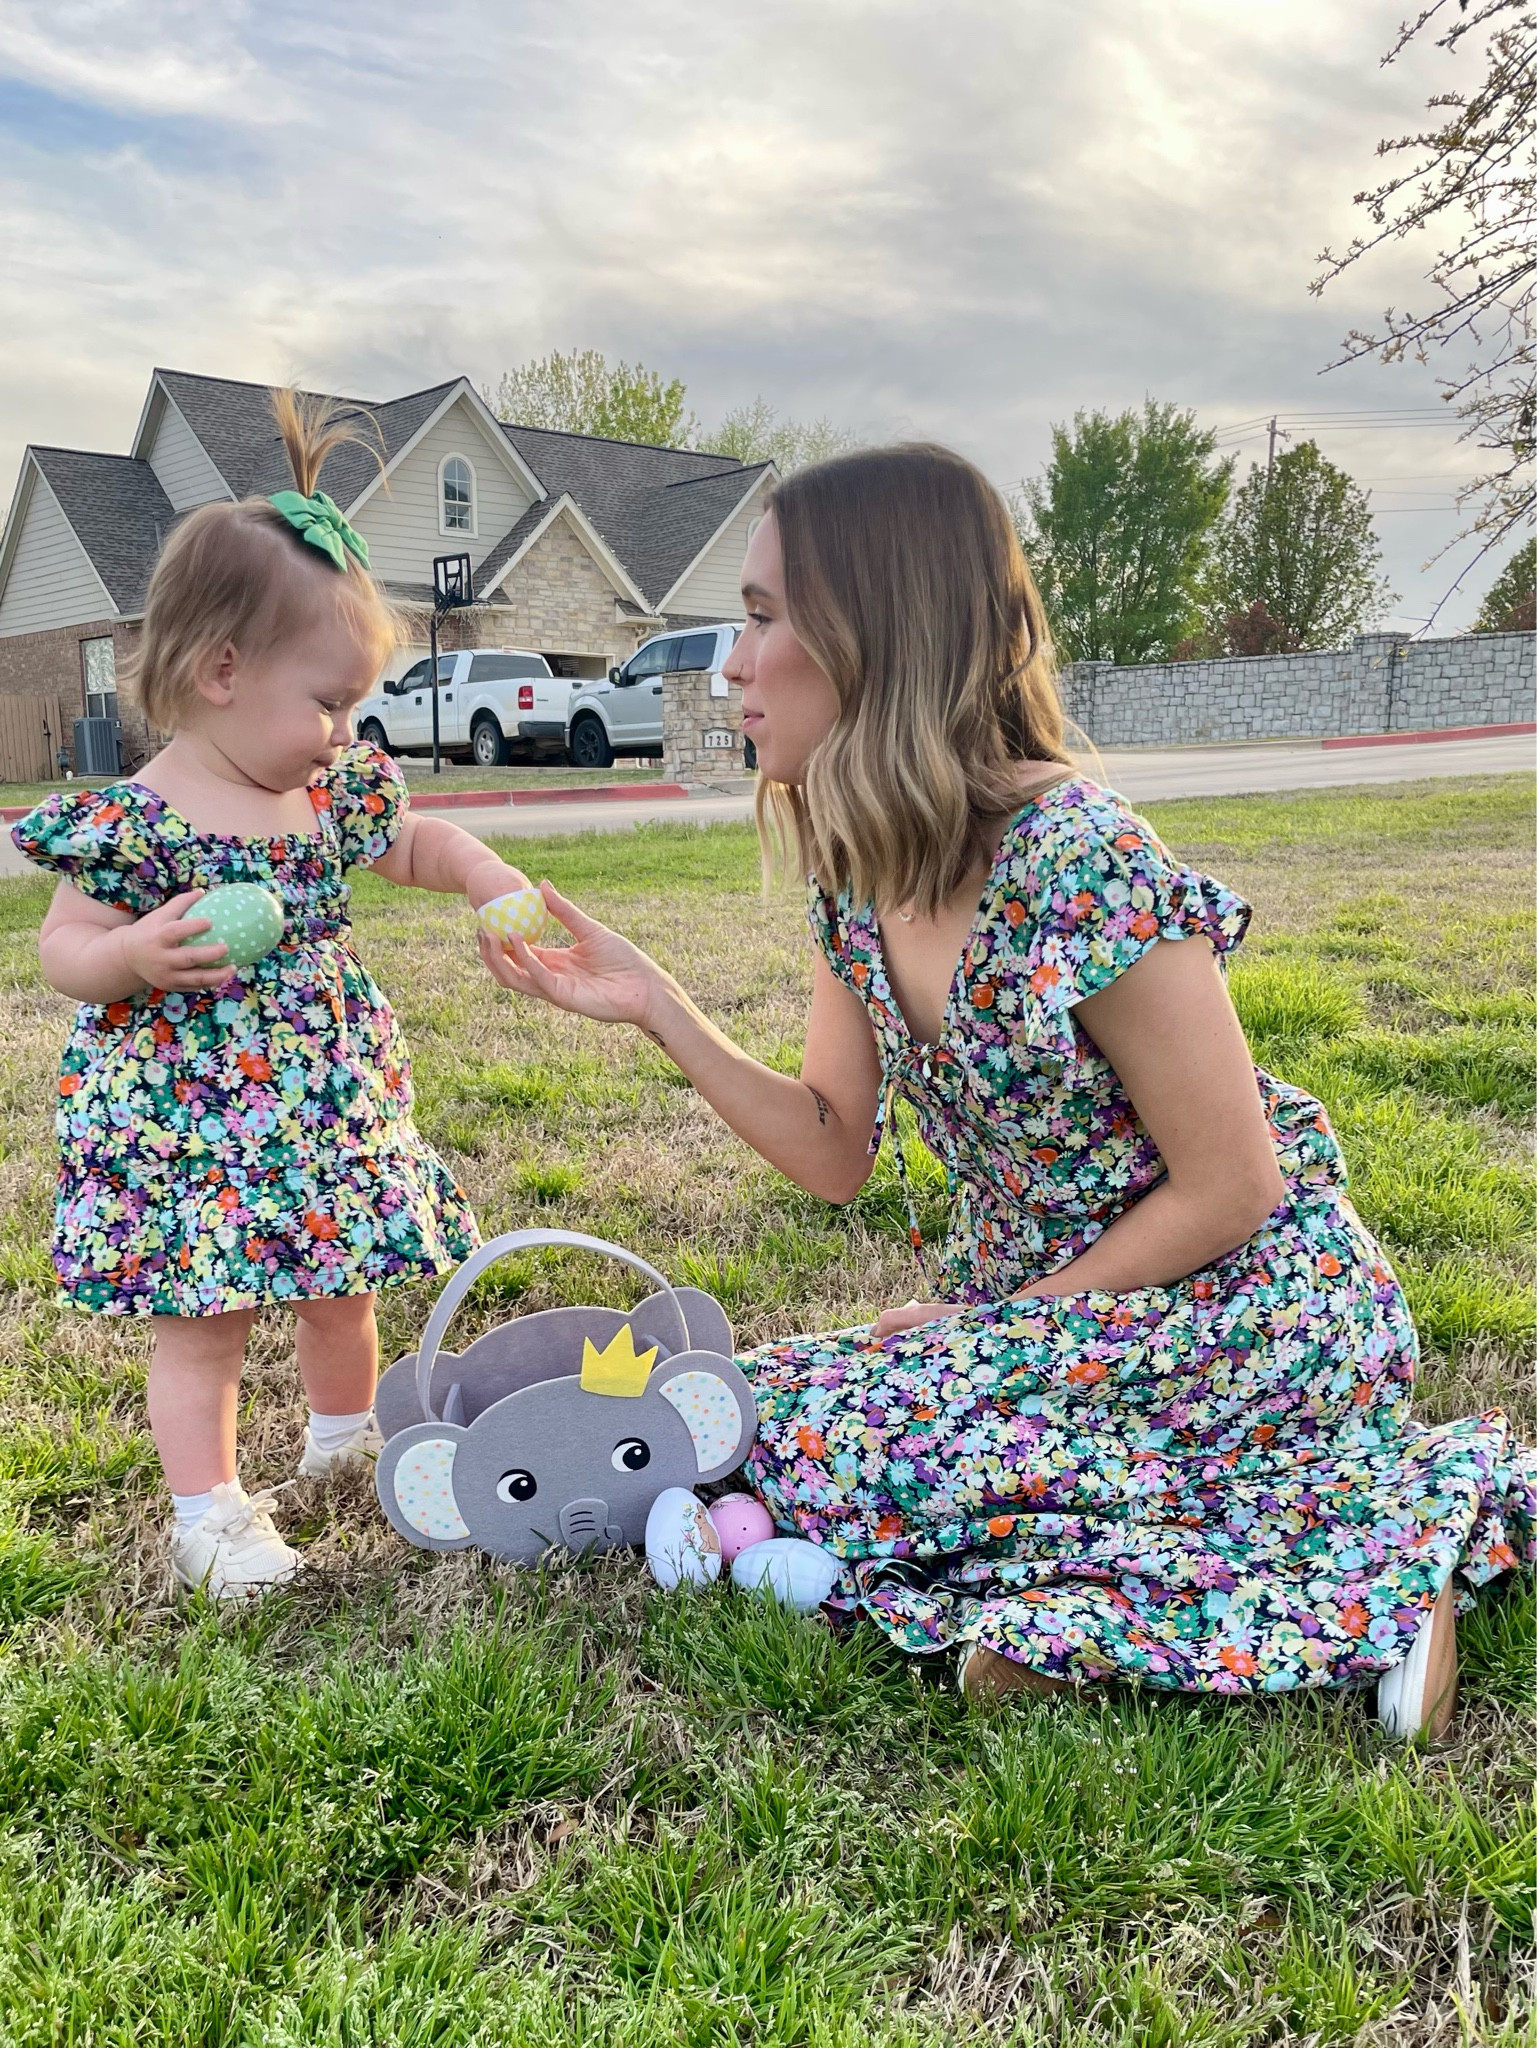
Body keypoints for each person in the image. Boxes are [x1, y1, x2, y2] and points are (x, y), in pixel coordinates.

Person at [478, 443, 1533, 1739]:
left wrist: (1004, 1325)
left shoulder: (1077, 859)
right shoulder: (856, 872)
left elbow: (1234, 1183)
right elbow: (831, 1148)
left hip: (1244, 1309)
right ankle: (1109, 1610)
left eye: (761, 620)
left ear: (874, 637)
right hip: (1047, 1323)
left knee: (879, 1448)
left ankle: (1401, 1545)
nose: (732, 663)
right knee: (775, 1422)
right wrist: (654, 1005)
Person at [13, 391, 529, 1601]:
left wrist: (486, 875)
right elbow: (62, 947)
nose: (344, 729)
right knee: (205, 1319)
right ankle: (209, 1512)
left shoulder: (322, 790)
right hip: (190, 1119)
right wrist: (133, 952)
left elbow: (417, 846)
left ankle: (345, 1442)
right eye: (327, 701)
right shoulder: (136, 816)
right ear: (220, 670)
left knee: (340, 1279)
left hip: (321, 1103)